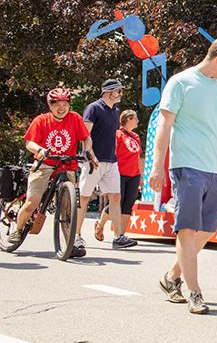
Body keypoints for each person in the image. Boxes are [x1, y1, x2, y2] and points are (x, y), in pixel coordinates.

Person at [150, 33, 217, 314]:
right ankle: (194, 292)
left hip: (215, 170)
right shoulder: (180, 83)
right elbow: (164, 127)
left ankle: (171, 277)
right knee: (187, 229)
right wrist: (158, 165)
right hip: (186, 167)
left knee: (206, 231)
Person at [12, 86, 96, 256]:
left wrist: (89, 151)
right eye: (57, 103)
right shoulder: (41, 120)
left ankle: (69, 244)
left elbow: (86, 137)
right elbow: (29, 142)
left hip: (67, 164)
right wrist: (40, 150)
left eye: (65, 103)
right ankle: (17, 229)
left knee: (67, 207)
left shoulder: (75, 118)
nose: (61, 107)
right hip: (45, 164)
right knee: (32, 202)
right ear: (50, 105)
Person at [75, 79, 137, 255]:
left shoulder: (115, 111)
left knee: (116, 197)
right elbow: (85, 134)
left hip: (111, 161)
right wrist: (90, 155)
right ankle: (77, 235)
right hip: (93, 161)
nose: (121, 94)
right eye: (119, 91)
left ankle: (118, 237)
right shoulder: (93, 108)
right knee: (85, 198)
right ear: (108, 92)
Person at [94, 110, 142, 242]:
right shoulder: (118, 135)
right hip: (119, 173)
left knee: (128, 205)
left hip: (134, 175)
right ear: (128, 119)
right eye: (135, 118)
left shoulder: (136, 137)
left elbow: (137, 156)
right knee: (116, 203)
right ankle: (100, 225)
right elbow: (112, 153)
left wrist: (140, 176)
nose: (137, 120)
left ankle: (121, 236)